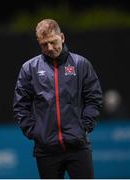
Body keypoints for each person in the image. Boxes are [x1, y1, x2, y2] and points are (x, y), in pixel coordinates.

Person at [13, 19, 102, 179]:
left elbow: (94, 98)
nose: (49, 48)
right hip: (46, 150)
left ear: (62, 37)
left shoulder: (80, 64)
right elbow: (20, 105)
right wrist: (34, 132)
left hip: (78, 147)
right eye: (44, 44)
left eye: (53, 42)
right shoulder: (29, 68)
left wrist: (85, 126)